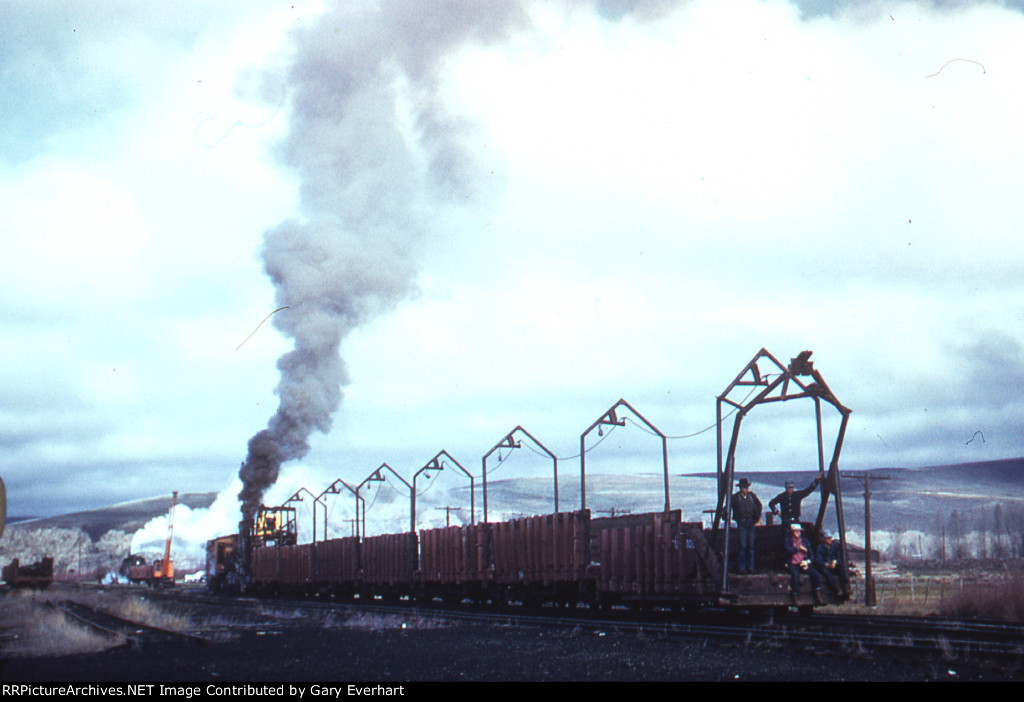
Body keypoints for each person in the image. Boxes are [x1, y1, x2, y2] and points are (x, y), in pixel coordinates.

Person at [784, 523, 822, 601]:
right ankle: (795, 595)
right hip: (793, 563)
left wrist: (807, 561)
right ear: (792, 532)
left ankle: (817, 593)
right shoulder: (788, 541)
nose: (798, 533)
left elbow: (811, 554)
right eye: (796, 531)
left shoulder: (805, 541)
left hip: (803, 563)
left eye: (799, 531)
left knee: (816, 574)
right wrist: (798, 548)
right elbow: (788, 551)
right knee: (795, 575)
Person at [732, 478, 762, 573]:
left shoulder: (752, 496)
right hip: (742, 523)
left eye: (746, 487)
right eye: (743, 487)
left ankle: (751, 567)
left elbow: (759, 505)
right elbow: (728, 507)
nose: (745, 489)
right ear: (740, 488)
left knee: (751, 546)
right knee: (743, 545)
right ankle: (742, 568)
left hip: (750, 522)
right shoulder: (735, 498)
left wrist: (756, 518)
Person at [815, 530, 850, 596]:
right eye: (828, 538)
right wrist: (826, 564)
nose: (830, 540)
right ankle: (836, 587)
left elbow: (839, 556)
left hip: (834, 563)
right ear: (824, 539)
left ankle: (845, 585)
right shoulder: (820, 548)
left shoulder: (835, 546)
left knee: (842, 567)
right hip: (826, 565)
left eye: (830, 538)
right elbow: (818, 560)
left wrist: (835, 561)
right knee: (826, 572)